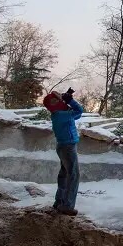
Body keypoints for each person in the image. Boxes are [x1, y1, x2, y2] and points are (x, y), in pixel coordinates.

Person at [42, 88, 84, 216]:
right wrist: (70, 101)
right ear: (54, 104)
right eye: (58, 100)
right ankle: (67, 205)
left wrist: (67, 101)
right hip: (68, 148)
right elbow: (79, 111)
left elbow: (76, 115)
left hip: (64, 146)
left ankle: (59, 202)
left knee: (64, 175)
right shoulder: (61, 115)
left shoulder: (59, 114)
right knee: (73, 175)